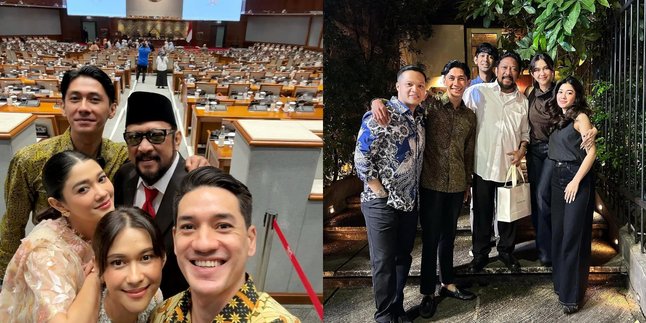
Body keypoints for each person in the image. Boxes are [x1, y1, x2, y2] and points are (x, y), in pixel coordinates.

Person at [0, 66, 207, 279]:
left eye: (94, 99)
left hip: (113, 271)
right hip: (54, 270)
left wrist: (195, 165)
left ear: (112, 109)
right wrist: (8, 284)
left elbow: (159, 159)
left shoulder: (122, 158)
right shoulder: (30, 160)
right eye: (74, 99)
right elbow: (11, 229)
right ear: (63, 106)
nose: (83, 108)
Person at [369, 61, 477, 319]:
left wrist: (467, 184)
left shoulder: (470, 116)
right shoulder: (428, 107)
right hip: (429, 183)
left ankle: (448, 283)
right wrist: (377, 100)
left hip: (456, 184)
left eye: (462, 78)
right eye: (452, 77)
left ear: (468, 83)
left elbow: (468, 152)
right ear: (444, 80)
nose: (456, 83)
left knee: (448, 236)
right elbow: (405, 100)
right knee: (430, 240)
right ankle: (428, 292)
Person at [151, 166, 299, 322]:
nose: (203, 244)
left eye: (223, 226)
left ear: (250, 240)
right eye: (188, 227)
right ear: (175, 240)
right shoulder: (162, 314)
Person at [0, 150, 112, 322]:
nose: (102, 193)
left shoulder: (116, 223)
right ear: (59, 205)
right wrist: (97, 271)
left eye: (101, 179)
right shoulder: (45, 253)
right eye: (83, 189)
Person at [355, 65, 427, 323]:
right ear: (397, 87)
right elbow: (361, 156)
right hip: (380, 202)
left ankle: (396, 306)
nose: (414, 89)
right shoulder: (381, 114)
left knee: (402, 257)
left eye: (420, 86)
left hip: (408, 201)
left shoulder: (419, 117)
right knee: (383, 261)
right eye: (408, 84)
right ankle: (384, 315)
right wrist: (378, 190)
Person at [524, 54, 598, 267]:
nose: (541, 73)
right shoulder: (530, 92)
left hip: (554, 152)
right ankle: (545, 247)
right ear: (532, 73)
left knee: (544, 197)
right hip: (534, 151)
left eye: (545, 68)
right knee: (538, 200)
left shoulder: (562, 91)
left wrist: (593, 129)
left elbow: (581, 116)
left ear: (552, 70)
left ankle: (554, 249)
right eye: (536, 69)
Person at [113, 91, 190, 297]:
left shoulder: (196, 188)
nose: (144, 147)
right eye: (134, 137)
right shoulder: (124, 177)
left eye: (156, 135)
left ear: (177, 139)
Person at [462, 51, 530, 273]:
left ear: (517, 73)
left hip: (508, 167)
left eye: (512, 68)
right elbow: (455, 109)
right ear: (496, 69)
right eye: (504, 67)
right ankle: (480, 254)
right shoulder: (477, 93)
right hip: (482, 165)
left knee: (508, 213)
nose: (507, 72)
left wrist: (521, 151)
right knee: (482, 214)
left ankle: (506, 252)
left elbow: (525, 134)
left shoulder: (523, 102)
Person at [547, 76, 596, 314]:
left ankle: (572, 296)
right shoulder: (558, 117)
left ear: (577, 95)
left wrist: (576, 181)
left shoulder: (581, 117)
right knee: (559, 234)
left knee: (572, 237)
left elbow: (591, 153)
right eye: (560, 92)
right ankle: (562, 286)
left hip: (575, 178)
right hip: (557, 179)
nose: (563, 96)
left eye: (569, 92)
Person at [93, 207, 166, 323]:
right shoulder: (87, 317)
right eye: (118, 262)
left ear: (163, 258)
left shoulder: (156, 297)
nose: (135, 278)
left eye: (145, 258)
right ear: (99, 267)